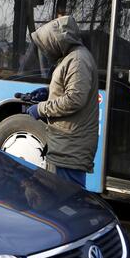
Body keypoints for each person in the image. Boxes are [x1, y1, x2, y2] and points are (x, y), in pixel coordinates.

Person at [26, 16, 98, 188]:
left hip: (71, 143)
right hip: (67, 143)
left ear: (57, 40)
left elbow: (75, 99)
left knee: (69, 200)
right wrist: (46, 94)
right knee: (64, 199)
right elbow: (70, 91)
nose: (46, 50)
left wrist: (41, 109)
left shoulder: (78, 60)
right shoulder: (72, 58)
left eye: (47, 44)